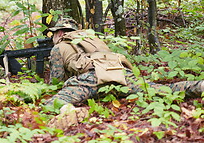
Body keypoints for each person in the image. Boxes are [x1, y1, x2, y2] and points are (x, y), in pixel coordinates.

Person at [45, 17, 203, 106]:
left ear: (59, 33)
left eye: (53, 34)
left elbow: (56, 82)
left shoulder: (59, 47)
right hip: (119, 73)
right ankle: (199, 86)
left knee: (52, 105)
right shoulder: (91, 39)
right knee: (160, 90)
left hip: (92, 78)